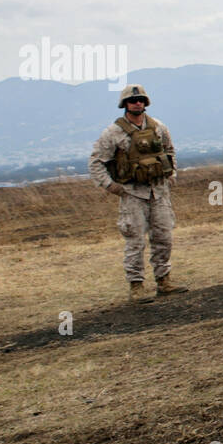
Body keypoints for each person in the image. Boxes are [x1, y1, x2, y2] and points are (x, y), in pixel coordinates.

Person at [88, 84, 187, 303]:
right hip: (132, 193)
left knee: (164, 237)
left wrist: (172, 174)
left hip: (159, 191)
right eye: (133, 100)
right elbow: (96, 162)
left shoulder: (158, 127)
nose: (137, 103)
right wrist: (111, 186)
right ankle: (136, 286)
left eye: (141, 99)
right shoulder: (113, 133)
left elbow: (169, 151)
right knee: (135, 241)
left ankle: (164, 281)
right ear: (125, 104)